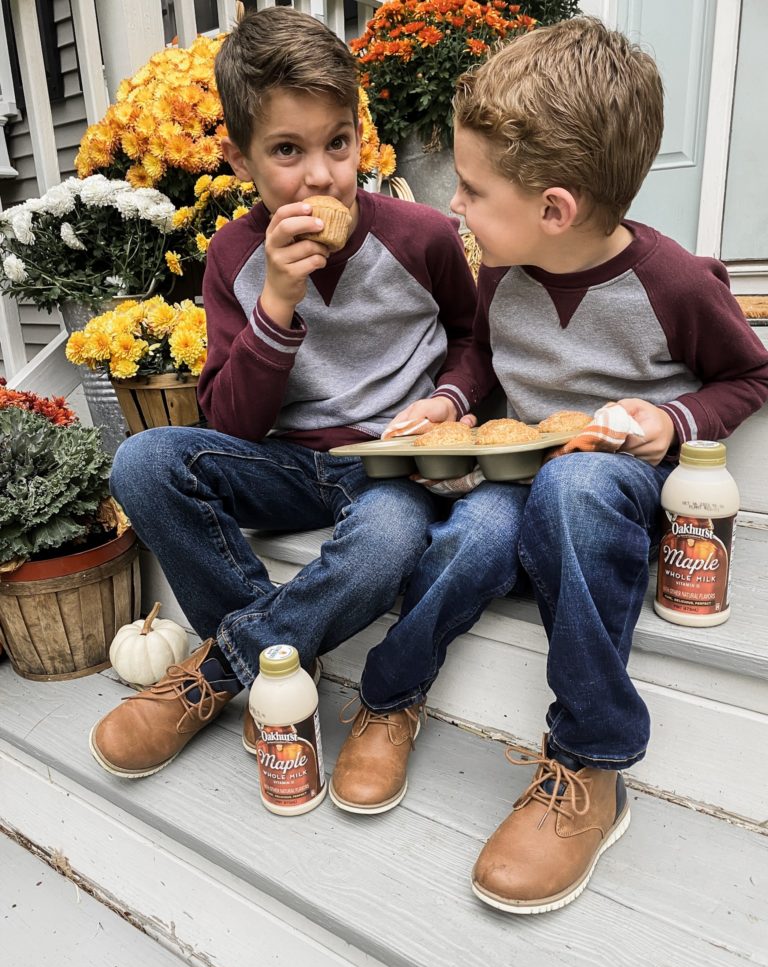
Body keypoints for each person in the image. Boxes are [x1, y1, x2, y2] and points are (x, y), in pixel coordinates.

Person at [329, 17, 768, 913]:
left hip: (607, 487)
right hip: (515, 481)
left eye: (473, 188)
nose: (455, 204)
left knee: (573, 483)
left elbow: (749, 371)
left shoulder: (675, 284)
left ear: (555, 208)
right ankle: (391, 693)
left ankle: (590, 762)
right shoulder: (503, 268)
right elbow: (483, 361)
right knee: (472, 533)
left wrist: (672, 416)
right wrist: (452, 403)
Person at [88, 7, 485, 780]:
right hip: (285, 463)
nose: (320, 174)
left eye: (337, 143)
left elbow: (476, 344)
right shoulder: (236, 257)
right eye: (286, 151)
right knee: (142, 462)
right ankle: (272, 652)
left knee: (388, 542)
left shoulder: (422, 237)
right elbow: (229, 420)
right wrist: (275, 304)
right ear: (240, 161)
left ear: (359, 136)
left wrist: (447, 405)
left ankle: (217, 674)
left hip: (391, 469)